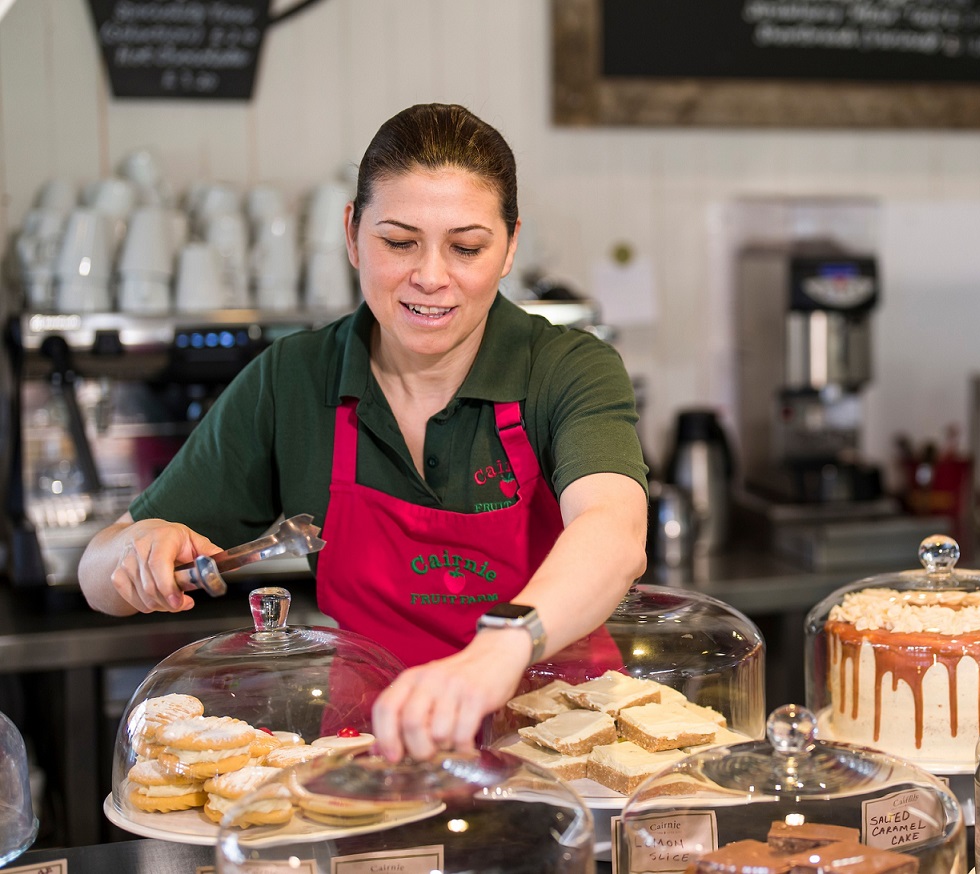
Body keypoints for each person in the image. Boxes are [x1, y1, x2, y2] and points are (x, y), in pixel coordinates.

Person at [77, 103, 650, 761]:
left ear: (511, 244)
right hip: (375, 768)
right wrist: (137, 553)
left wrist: (499, 650)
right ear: (352, 233)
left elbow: (613, 533)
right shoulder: (294, 381)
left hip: (566, 755)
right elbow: (99, 572)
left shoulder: (567, 368)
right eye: (398, 242)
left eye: (466, 247)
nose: (431, 277)